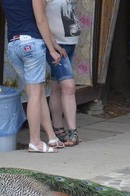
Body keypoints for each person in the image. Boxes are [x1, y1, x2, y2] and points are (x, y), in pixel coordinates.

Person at [1, 0, 66, 153]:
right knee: (35, 94)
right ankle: (35, 141)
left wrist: (54, 44)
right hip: (31, 43)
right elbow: (41, 19)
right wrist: (51, 49)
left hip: (13, 45)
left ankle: (51, 137)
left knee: (37, 92)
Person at [45, 0, 81, 147]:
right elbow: (40, 17)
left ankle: (58, 128)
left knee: (57, 86)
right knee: (68, 86)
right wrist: (53, 45)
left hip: (70, 42)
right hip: (57, 45)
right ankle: (73, 131)